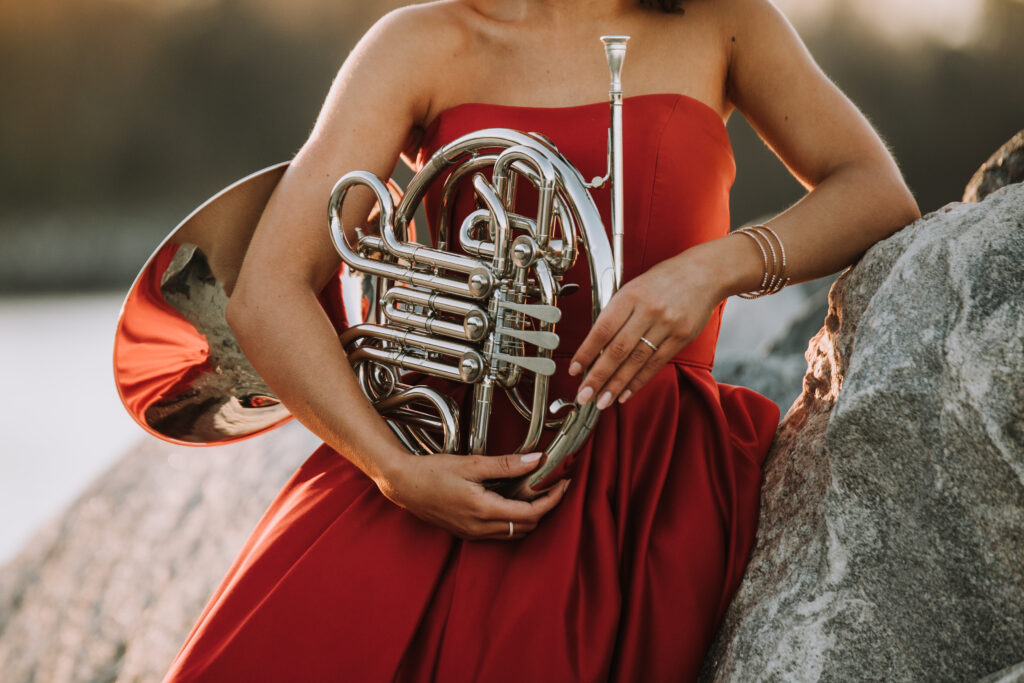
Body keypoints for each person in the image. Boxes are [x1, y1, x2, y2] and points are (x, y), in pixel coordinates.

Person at [164, 0, 920, 680]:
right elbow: (266, 293)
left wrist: (715, 269)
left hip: (649, 482)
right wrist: (393, 469)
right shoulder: (418, 42)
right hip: (441, 464)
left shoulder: (724, 19)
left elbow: (876, 191)